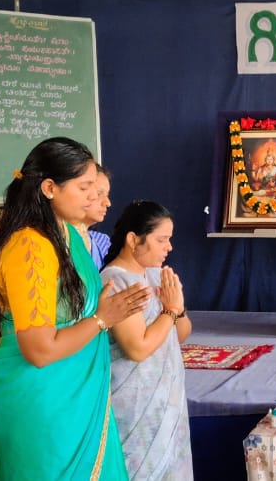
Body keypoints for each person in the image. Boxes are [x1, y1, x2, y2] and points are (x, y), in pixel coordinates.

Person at [0, 137, 150, 480]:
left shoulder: (68, 236)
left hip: (75, 397)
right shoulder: (30, 246)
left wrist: (100, 308)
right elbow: (39, 351)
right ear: (49, 188)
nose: (94, 195)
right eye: (84, 186)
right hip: (43, 402)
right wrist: (103, 318)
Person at [102, 200, 195, 480]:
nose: (169, 248)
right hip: (135, 404)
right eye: (161, 240)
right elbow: (137, 348)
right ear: (133, 239)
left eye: (169, 240)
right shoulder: (115, 281)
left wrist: (176, 308)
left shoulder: (156, 275)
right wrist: (170, 310)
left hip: (168, 401)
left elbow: (180, 333)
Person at [85, 163, 112, 268]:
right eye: (99, 193)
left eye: (107, 195)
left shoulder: (103, 242)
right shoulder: (51, 243)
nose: (108, 203)